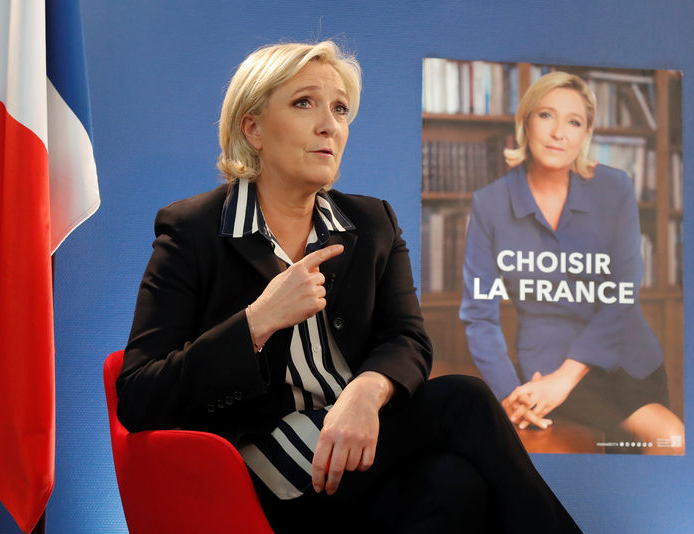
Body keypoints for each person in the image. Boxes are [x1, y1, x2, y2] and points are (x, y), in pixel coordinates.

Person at [118, 41, 581, 532]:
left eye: (339, 109)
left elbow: (408, 339)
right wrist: (257, 323)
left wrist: (366, 391)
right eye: (304, 103)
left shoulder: (372, 221)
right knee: (465, 400)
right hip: (266, 471)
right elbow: (139, 395)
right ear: (251, 128)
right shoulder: (192, 230)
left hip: (359, 443)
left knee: (454, 484)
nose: (330, 125)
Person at [460, 71, 684, 454]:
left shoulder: (615, 188)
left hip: (625, 360)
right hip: (545, 367)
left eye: (574, 122)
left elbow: (622, 294)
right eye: (546, 116)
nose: (558, 132)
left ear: (586, 134)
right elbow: (480, 315)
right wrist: (509, 394)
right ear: (526, 122)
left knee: (671, 439)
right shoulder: (490, 203)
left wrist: (566, 377)